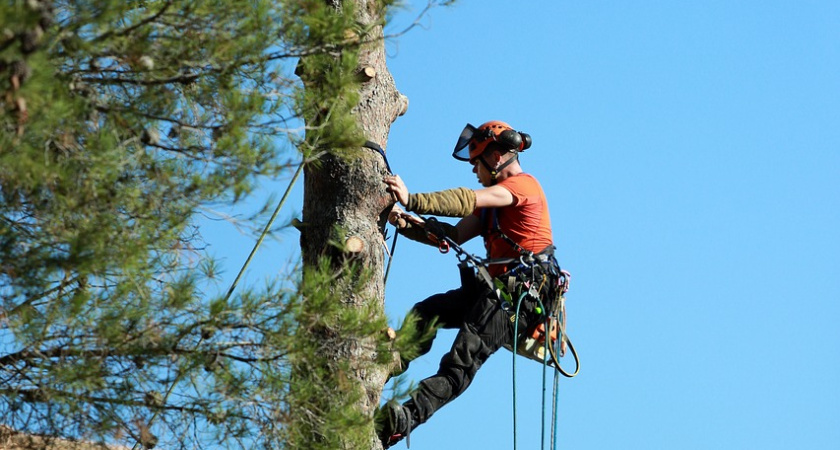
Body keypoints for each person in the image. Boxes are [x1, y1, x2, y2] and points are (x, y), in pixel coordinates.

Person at [378, 120, 563, 448]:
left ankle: (402, 421)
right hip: (497, 290)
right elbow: (452, 234)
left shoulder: (523, 187)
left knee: (460, 361)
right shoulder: (491, 210)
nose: (473, 169)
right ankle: (392, 359)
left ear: (495, 158)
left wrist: (413, 199)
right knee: (429, 311)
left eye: (476, 162)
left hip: (521, 295)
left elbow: (466, 199)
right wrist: (407, 223)